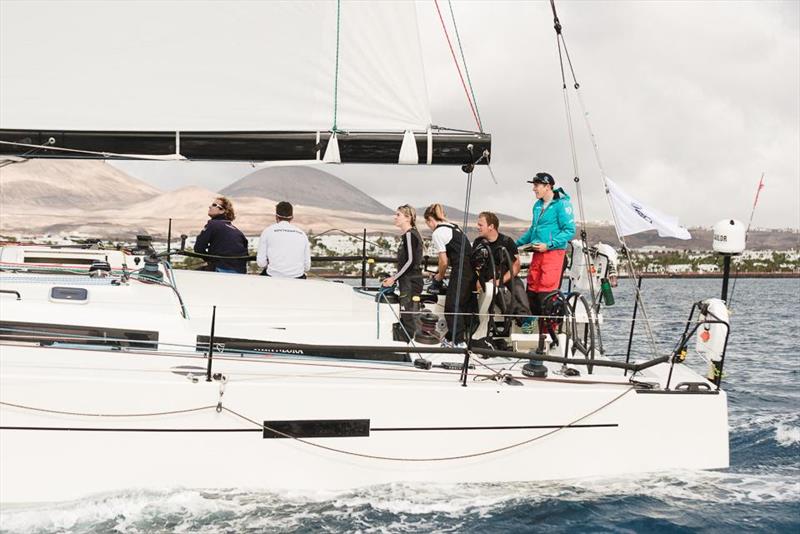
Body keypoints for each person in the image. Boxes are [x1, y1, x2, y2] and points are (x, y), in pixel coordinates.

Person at [515, 172, 575, 349]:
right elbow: (533, 230)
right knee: (532, 291)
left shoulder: (562, 205)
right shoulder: (537, 205)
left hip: (553, 254)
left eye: (536, 186)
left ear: (547, 186)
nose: (534, 189)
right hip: (537, 253)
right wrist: (515, 244)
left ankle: (548, 337)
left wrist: (548, 245)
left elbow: (569, 230)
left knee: (546, 294)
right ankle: (532, 335)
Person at [424, 203, 475, 346]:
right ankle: (451, 337)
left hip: (461, 269)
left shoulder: (437, 233)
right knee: (461, 304)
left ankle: (459, 342)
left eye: (427, 223)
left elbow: (444, 261)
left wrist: (439, 276)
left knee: (452, 305)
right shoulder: (453, 226)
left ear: (430, 220)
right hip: (470, 269)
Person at [382, 205, 423, 341]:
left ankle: (410, 348)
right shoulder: (407, 236)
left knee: (408, 317)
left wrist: (394, 278)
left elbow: (410, 261)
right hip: (407, 282)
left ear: (408, 218)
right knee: (406, 316)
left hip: (411, 283)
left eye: (398, 214)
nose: (395, 217)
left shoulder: (410, 235)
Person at [194, 196, 249, 274]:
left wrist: (210, 260)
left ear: (222, 211)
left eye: (214, 205)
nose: (210, 206)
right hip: (240, 272)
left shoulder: (213, 224)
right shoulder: (238, 231)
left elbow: (198, 248)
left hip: (220, 270)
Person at [256, 201, 311, 279]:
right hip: (298, 278)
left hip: (273, 277)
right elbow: (307, 267)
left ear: (276, 217)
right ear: (292, 217)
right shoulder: (302, 234)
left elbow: (261, 263)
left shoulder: (267, 231)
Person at [473, 211, 521, 286]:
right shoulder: (478, 243)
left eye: (480, 225)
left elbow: (516, 267)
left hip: (506, 280)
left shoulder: (507, 242)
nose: (477, 227)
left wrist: (499, 282)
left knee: (520, 295)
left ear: (491, 227)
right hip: (485, 283)